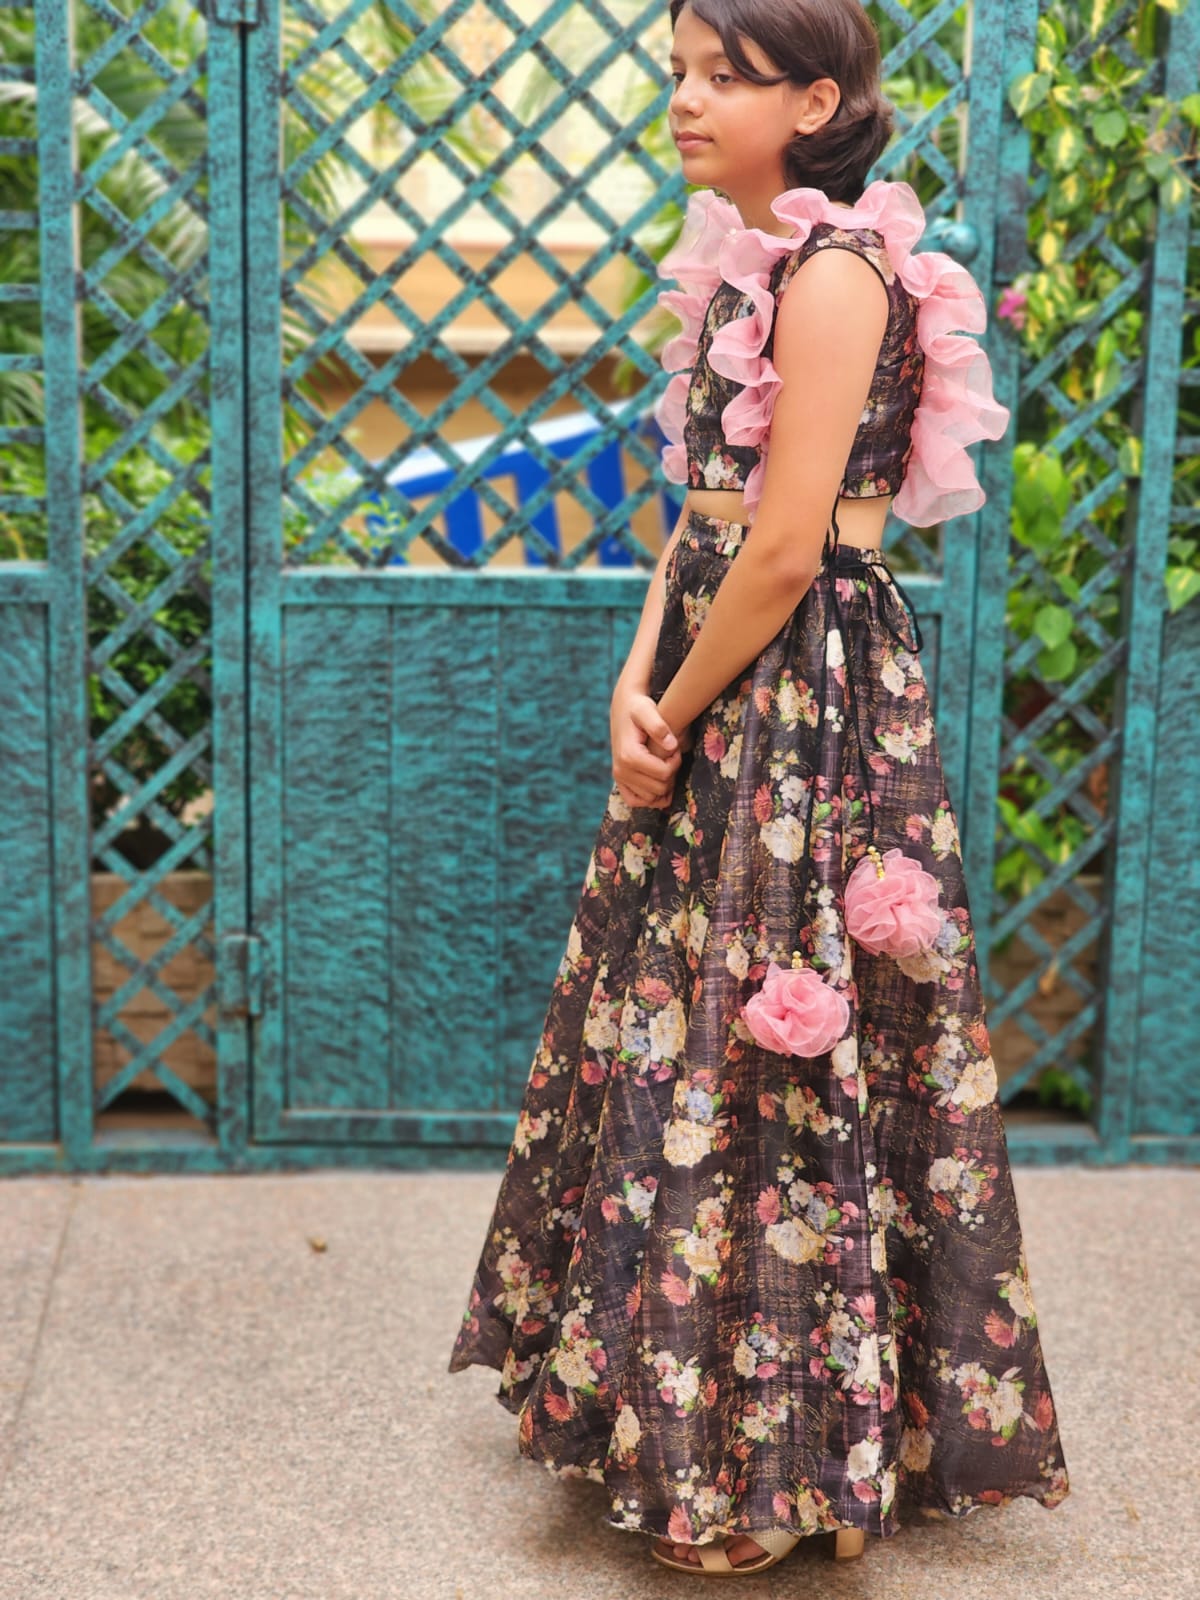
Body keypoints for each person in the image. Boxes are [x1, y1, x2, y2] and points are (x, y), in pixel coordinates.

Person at [448, 0, 1071, 1577]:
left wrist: (682, 697)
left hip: (799, 703)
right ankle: (685, 1420)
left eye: (719, 75)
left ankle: (780, 1466)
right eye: (676, 71)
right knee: (684, 1039)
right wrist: (631, 686)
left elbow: (793, 545)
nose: (685, 101)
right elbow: (702, 517)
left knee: (779, 1065)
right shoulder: (744, 267)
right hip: (722, 678)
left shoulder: (842, 273)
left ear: (813, 98)